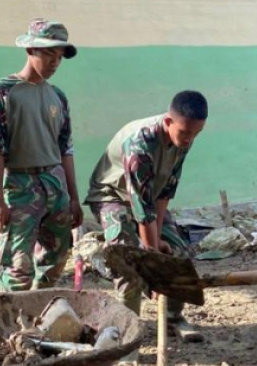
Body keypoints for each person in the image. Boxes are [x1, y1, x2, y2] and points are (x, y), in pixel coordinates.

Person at [85, 91, 208, 342]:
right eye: (185, 132)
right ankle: (127, 333)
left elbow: (164, 193)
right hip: (112, 196)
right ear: (168, 121)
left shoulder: (184, 137)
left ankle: (173, 316)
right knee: (128, 261)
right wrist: (151, 258)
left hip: (147, 199)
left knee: (178, 252)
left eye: (197, 133)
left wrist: (159, 239)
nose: (190, 139)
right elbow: (141, 209)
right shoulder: (139, 145)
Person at [0, 19, 82, 291]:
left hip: (55, 183)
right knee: (19, 268)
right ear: (30, 49)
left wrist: (73, 198)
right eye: (49, 54)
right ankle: (10, 312)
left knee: (56, 260)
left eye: (59, 57)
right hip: (21, 186)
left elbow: (66, 149)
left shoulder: (58, 96)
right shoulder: (3, 91)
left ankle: (40, 308)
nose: (54, 63)